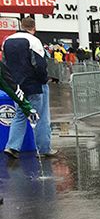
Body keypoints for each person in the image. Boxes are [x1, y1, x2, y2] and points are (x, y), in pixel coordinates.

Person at [2, 17, 56, 159]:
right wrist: (44, 79)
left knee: (20, 114)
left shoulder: (7, 41)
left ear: (21, 25)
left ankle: (12, 147)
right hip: (34, 85)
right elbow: (39, 65)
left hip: (16, 86)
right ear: (34, 27)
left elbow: (5, 64)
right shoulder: (33, 41)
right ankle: (44, 149)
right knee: (40, 117)